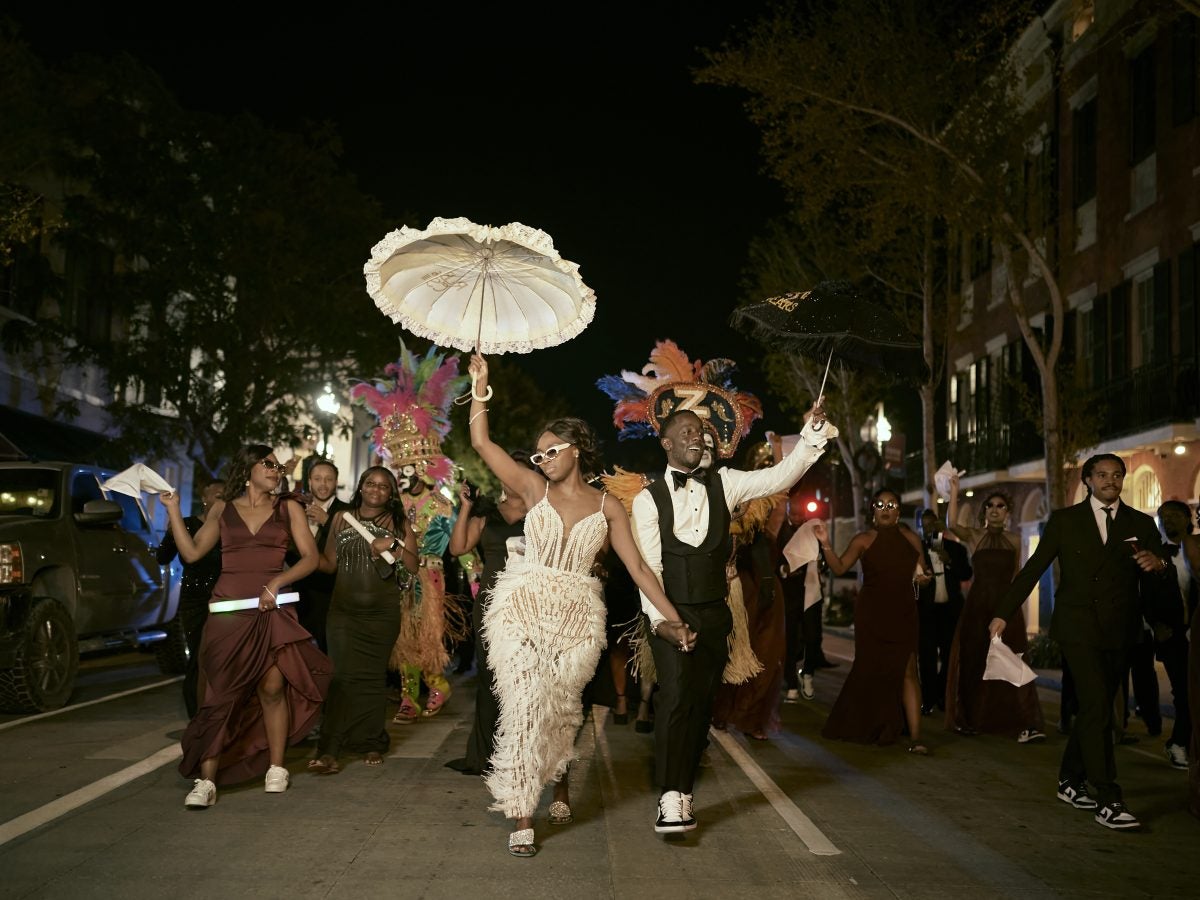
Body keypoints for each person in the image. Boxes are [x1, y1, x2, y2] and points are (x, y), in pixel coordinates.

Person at [467, 353, 695, 858]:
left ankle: (561, 781)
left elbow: (638, 569)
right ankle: (522, 814)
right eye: (538, 453)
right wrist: (481, 387)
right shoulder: (531, 489)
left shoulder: (608, 505)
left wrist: (672, 618)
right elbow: (482, 442)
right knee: (526, 706)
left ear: (577, 450)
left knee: (560, 710)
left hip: (577, 619)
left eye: (550, 451)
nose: (541, 459)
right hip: (523, 608)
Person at [632, 403, 833, 835]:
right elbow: (649, 570)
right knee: (675, 699)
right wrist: (664, 622)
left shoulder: (726, 483)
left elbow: (777, 478)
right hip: (669, 613)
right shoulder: (648, 501)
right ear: (666, 443)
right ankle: (669, 796)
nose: (697, 436)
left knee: (702, 702)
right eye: (686, 430)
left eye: (701, 431)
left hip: (715, 616)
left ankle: (684, 789)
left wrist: (810, 436)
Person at [989, 453, 1169, 831]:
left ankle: (1070, 780)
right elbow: (1034, 567)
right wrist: (1004, 611)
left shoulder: (1140, 523)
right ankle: (1108, 796)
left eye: (1117, 475)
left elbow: (1157, 576)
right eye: (1102, 475)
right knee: (1098, 707)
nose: (1111, 481)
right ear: (1088, 480)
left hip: (1121, 630)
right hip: (1078, 628)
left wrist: (1159, 566)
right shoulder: (1066, 521)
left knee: (1095, 709)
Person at [163, 445, 333, 809]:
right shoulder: (223, 509)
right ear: (248, 469)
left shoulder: (288, 508)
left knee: (272, 686)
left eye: (277, 465)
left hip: (273, 609)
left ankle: (276, 767)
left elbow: (311, 558)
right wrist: (173, 510)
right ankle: (206, 781)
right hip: (229, 611)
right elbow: (192, 554)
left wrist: (277, 582)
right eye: (267, 464)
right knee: (218, 694)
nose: (275, 470)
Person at [307, 466, 417, 774]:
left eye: (384, 486)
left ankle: (371, 741)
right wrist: (301, 549)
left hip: (381, 615)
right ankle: (329, 748)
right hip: (343, 612)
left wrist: (394, 545)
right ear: (361, 486)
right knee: (340, 677)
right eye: (371, 484)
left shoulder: (398, 522)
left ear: (391, 493)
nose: (376, 490)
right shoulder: (342, 519)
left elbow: (413, 565)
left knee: (371, 679)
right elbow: (328, 563)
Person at [444, 452, 541, 776]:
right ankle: (484, 754)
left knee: (526, 680)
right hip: (491, 605)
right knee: (489, 678)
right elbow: (458, 548)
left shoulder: (543, 513)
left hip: (531, 604)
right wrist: (467, 507)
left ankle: (520, 753)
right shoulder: (486, 512)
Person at [815, 489, 933, 752]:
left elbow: (924, 573)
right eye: (880, 504)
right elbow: (839, 568)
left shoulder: (911, 538)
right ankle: (871, 723)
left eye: (891, 504)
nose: (886, 508)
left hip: (904, 612)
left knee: (908, 671)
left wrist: (924, 579)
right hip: (872, 614)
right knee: (869, 668)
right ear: (873, 511)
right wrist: (825, 543)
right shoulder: (863, 539)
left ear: (898, 511)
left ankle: (916, 739)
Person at [943, 481, 1044, 742]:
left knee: (1013, 661)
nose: (995, 510)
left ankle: (1025, 723)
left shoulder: (1015, 539)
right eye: (990, 506)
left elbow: (1019, 576)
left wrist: (1015, 610)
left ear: (1008, 512)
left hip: (1006, 607)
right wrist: (954, 492)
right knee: (975, 663)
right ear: (984, 511)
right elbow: (952, 524)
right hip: (978, 607)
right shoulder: (975, 536)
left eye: (1000, 506)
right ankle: (971, 719)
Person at [156, 478, 224, 719]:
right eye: (215, 494)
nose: (220, 498)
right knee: (198, 657)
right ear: (204, 498)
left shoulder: (228, 528)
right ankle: (197, 717)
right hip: (195, 599)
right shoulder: (184, 525)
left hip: (224, 598)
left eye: (224, 495)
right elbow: (162, 557)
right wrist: (171, 530)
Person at [916, 507, 971, 716]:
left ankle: (942, 694)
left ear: (941, 527)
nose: (929, 529)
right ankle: (928, 699)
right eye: (925, 526)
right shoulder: (917, 549)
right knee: (927, 658)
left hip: (950, 612)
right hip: (926, 612)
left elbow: (966, 573)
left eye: (934, 525)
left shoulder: (956, 549)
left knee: (949, 657)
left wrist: (948, 561)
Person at [1151, 500, 1193, 770]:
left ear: (1188, 517)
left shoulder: (1196, 549)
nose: (1169, 521)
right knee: (1184, 692)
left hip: (1197, 632)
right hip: (1172, 634)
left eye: (1175, 515)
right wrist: (1155, 625)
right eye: (1163, 516)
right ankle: (1177, 743)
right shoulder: (1157, 555)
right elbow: (1146, 594)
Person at [291, 459, 349, 654]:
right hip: (298, 593)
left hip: (331, 595)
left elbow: (353, 548)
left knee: (328, 653)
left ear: (336, 481)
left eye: (328, 479)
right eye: (317, 479)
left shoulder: (347, 512)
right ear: (309, 481)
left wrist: (328, 521)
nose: (323, 484)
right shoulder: (295, 508)